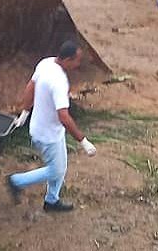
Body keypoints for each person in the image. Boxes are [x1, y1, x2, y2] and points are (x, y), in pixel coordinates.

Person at [6, 41, 97, 212]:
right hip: (48, 135)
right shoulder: (59, 82)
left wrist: (25, 113)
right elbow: (64, 116)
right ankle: (16, 181)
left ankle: (52, 200)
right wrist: (83, 141)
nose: (78, 64)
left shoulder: (46, 63)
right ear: (68, 60)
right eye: (77, 60)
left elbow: (30, 87)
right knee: (56, 170)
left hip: (44, 128)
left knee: (60, 166)